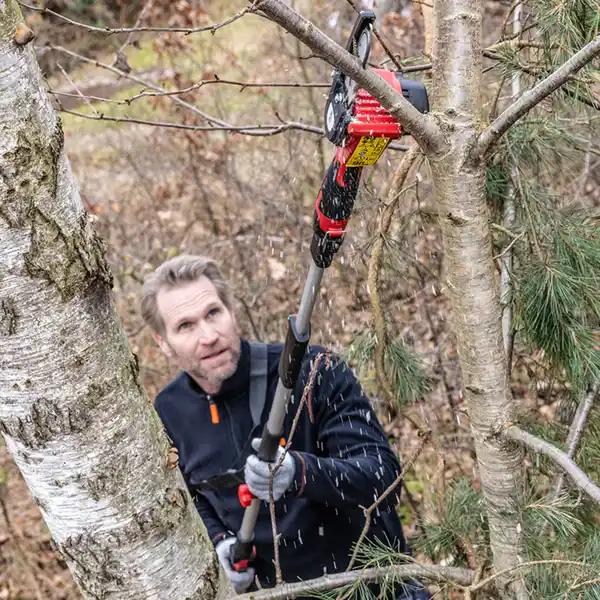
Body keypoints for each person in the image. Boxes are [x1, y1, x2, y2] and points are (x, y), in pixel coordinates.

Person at [140, 254, 430, 599]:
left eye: (213, 313)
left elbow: (383, 477)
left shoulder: (313, 371)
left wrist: (299, 472)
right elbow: (192, 497)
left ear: (232, 313)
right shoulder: (169, 411)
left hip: (374, 587)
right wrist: (219, 543)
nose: (208, 336)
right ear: (163, 343)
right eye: (185, 326)